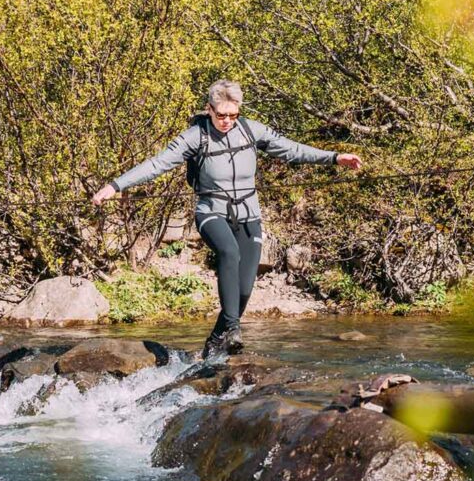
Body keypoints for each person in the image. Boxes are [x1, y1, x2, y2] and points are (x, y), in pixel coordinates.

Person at [92, 79, 362, 357]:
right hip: (211, 213)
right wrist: (115, 186)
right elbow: (157, 164)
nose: (227, 121)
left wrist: (335, 157)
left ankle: (215, 341)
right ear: (209, 109)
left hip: (249, 215)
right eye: (221, 115)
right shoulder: (196, 136)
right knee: (229, 253)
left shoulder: (249, 130)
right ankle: (233, 329)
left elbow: (292, 149)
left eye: (233, 115)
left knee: (244, 290)